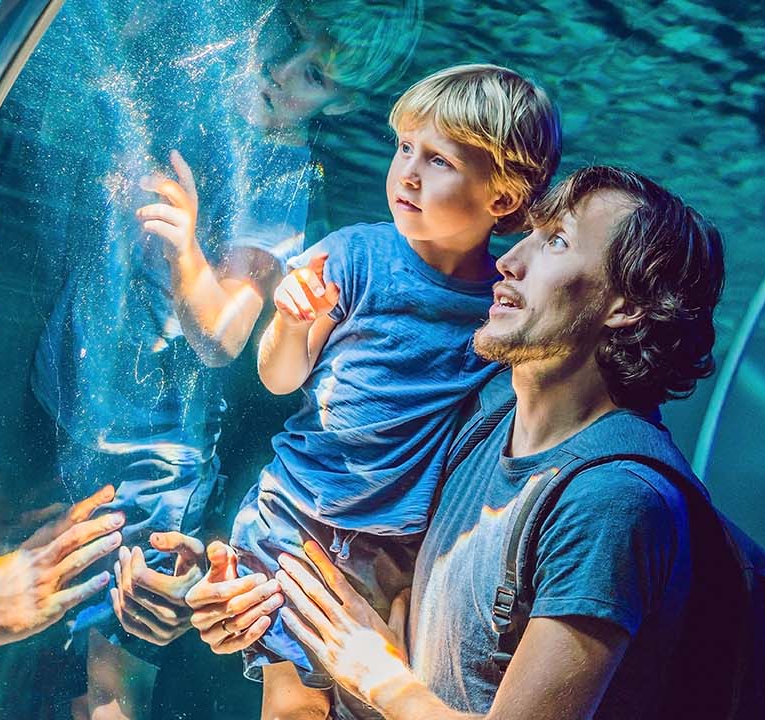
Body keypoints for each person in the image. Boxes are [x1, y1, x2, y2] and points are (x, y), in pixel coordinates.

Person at [22, 2, 423, 717]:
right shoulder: (204, 100)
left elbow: (223, 337)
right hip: (73, 406)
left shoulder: (280, 174)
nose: (280, 72)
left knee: (112, 689)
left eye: (315, 75)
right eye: (288, 40)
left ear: (344, 101)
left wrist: (184, 253)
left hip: (148, 456)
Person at [211, 165, 728, 719]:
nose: (509, 260)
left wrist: (383, 681)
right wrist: (248, 587)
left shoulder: (612, 499)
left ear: (626, 306)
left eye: (556, 241)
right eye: (528, 232)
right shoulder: (478, 423)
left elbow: (379, 669)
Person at [125, 63, 563, 718]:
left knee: (369, 698)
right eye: (404, 148)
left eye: (438, 159)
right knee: (294, 706)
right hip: (301, 512)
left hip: (404, 544)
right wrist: (294, 322)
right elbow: (281, 378)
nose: (407, 173)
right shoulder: (354, 257)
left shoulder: (503, 301)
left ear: (502, 200)